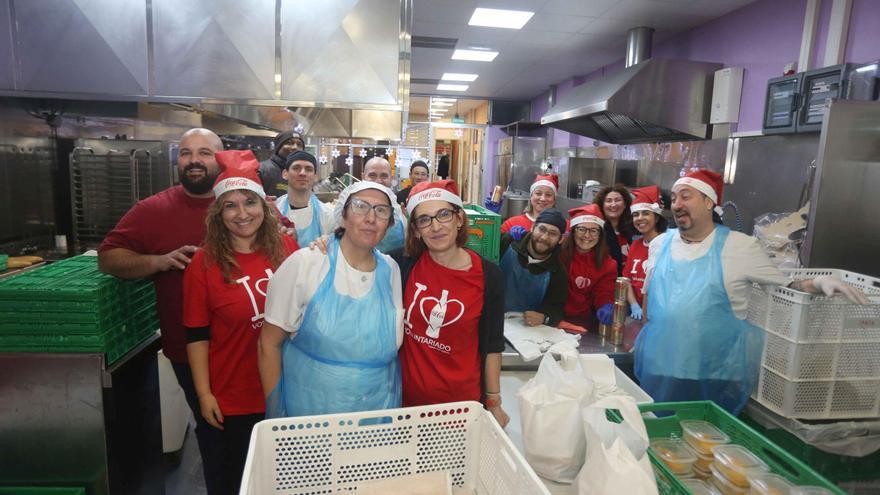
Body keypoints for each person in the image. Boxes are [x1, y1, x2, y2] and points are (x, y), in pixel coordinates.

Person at [635, 169, 869, 415]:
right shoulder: (661, 243)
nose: (677, 204)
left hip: (711, 375)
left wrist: (819, 284)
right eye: (673, 198)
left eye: (685, 196)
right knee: (656, 437)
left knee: (703, 442)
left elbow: (786, 286)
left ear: (708, 202)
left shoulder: (741, 246)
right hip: (658, 366)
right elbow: (650, 295)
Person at [97, 127, 223, 478]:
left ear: (220, 158)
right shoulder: (153, 209)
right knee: (212, 431)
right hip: (186, 346)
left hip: (246, 346)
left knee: (249, 429)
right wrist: (159, 261)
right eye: (186, 153)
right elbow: (107, 257)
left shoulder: (241, 204)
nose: (194, 160)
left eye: (204, 153)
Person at [182, 150, 299, 495]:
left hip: (285, 393)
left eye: (249, 202)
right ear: (218, 214)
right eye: (230, 206)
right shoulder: (202, 264)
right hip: (232, 398)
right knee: (235, 483)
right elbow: (197, 335)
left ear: (264, 207)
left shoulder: (289, 250)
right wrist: (203, 393)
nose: (242, 213)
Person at [259, 181, 404, 417]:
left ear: (389, 223)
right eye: (360, 207)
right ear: (343, 216)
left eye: (381, 211)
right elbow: (269, 343)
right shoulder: (306, 263)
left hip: (378, 413)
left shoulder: (391, 270)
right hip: (312, 415)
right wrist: (275, 414)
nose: (371, 218)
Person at [396, 180, 509, 427]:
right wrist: (328, 244)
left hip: (461, 409)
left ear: (459, 219)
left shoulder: (489, 276)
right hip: (405, 408)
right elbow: (357, 255)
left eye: (444, 215)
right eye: (424, 220)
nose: (436, 226)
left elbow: (492, 345)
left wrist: (494, 403)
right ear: (416, 230)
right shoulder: (402, 265)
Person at [499, 208, 568, 327]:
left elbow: (556, 308)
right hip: (492, 319)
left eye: (553, 234)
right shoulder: (507, 242)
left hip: (526, 329)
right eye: (542, 229)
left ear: (560, 239)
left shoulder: (558, 272)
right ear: (532, 227)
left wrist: (544, 316)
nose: (544, 237)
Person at [560, 204, 617, 328]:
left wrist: (605, 305)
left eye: (593, 230)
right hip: (555, 316)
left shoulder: (608, 264)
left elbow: (604, 291)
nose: (587, 235)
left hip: (585, 321)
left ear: (600, 235)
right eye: (582, 229)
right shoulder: (559, 254)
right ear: (573, 231)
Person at [274, 150, 336, 245]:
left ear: (315, 176)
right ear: (285, 174)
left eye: (308, 169)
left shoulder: (328, 215)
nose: (302, 173)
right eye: (296, 168)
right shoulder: (274, 211)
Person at [623, 185, 667, 320]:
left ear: (657, 217)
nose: (639, 218)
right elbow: (626, 281)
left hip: (658, 314)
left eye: (646, 213)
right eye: (636, 214)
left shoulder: (666, 245)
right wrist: (634, 305)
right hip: (635, 313)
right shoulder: (635, 245)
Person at [362, 156, 407, 253]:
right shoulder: (350, 208)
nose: (378, 181)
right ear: (363, 177)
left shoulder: (400, 213)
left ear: (391, 179)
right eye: (372, 175)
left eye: (384, 176)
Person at [594, 184, 636, 276]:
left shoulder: (631, 228)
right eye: (608, 201)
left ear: (625, 205)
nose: (613, 205)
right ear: (602, 206)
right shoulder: (596, 230)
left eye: (617, 200)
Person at [258, 131, 305, 197]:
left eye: (299, 145)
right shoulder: (262, 170)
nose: (295, 147)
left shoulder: (304, 173)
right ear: (278, 147)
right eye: (289, 143)